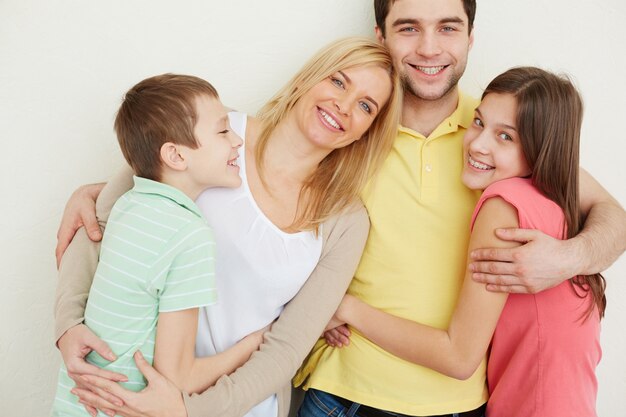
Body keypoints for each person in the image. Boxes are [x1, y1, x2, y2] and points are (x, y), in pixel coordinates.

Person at [294, 1, 625, 417]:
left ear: (470, 38)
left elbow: (613, 215)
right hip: (343, 395)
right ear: (381, 38)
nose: (429, 48)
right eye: (409, 28)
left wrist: (564, 258)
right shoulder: (352, 121)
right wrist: (309, 303)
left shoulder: (506, 134)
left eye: (447, 28)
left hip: (462, 404)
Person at [52, 37, 403, 417]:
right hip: (124, 390)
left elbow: (285, 349)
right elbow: (103, 222)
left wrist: (187, 410)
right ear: (308, 79)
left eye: (366, 106)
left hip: (235, 408)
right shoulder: (212, 129)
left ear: (368, 130)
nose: (344, 106)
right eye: (338, 82)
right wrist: (67, 325)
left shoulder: (346, 222)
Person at [52, 73, 272, 416]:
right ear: (175, 155)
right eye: (223, 130)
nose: (238, 141)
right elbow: (179, 378)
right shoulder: (189, 236)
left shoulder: (127, 205)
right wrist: (254, 344)